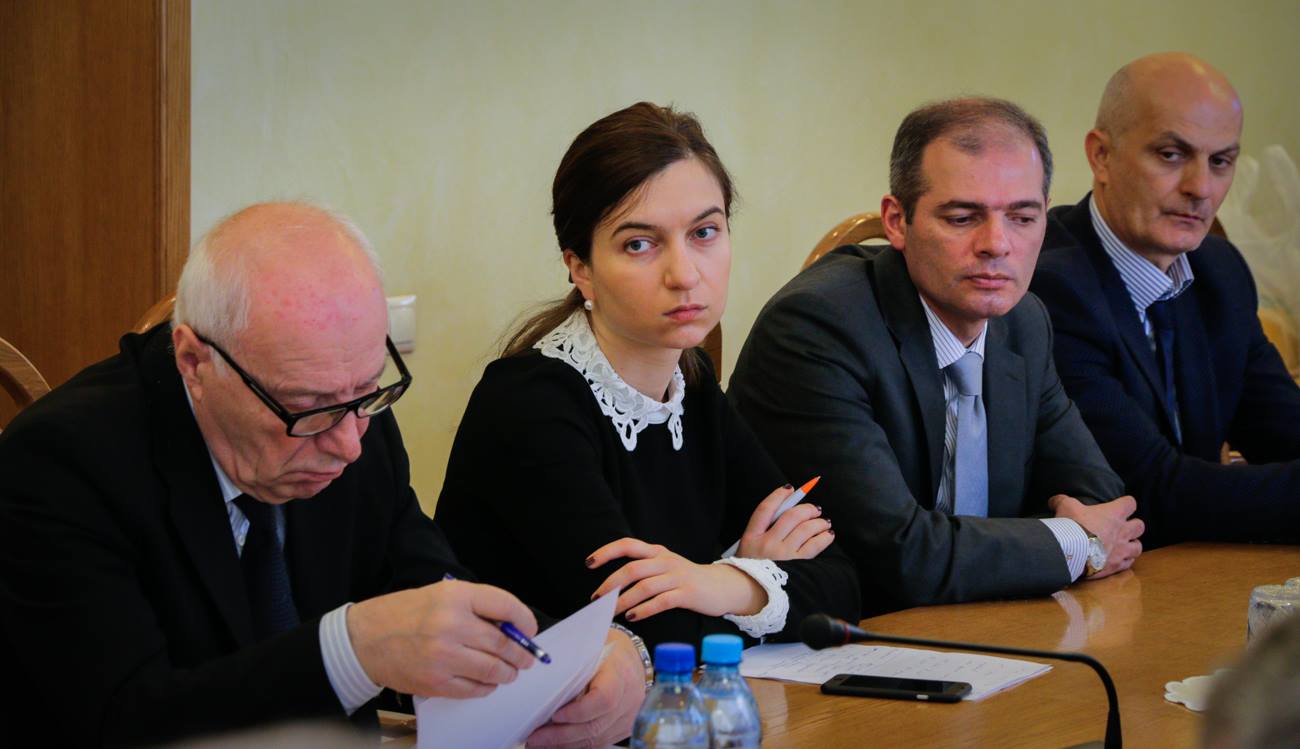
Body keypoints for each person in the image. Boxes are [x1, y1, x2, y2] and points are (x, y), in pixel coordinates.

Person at [0, 202, 644, 747]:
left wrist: (591, 659)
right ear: (194, 362)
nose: (348, 445)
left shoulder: (351, 414)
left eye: (367, 389)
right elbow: (126, 721)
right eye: (306, 409)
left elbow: (431, 588)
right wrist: (350, 651)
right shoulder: (60, 465)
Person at [433, 102, 860, 651]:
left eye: (705, 232)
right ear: (580, 268)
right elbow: (650, 631)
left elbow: (842, 583)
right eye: (639, 244)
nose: (684, 274)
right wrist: (754, 579)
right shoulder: (528, 404)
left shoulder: (692, 385)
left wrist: (723, 583)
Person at [729, 97, 1144, 616]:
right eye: (963, 217)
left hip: (989, 625)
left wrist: (1072, 537)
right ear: (896, 221)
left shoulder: (1023, 322)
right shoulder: (819, 327)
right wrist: (1077, 545)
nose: (997, 244)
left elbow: (1099, 497)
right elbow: (901, 556)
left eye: (1022, 217)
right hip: (846, 637)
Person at [1031, 52, 1300, 548]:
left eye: (1221, 162)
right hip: (1094, 582)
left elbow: (1282, 429)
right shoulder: (1050, 285)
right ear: (1101, 156)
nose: (1201, 188)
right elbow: (1151, 491)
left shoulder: (1220, 271)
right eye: (1172, 155)